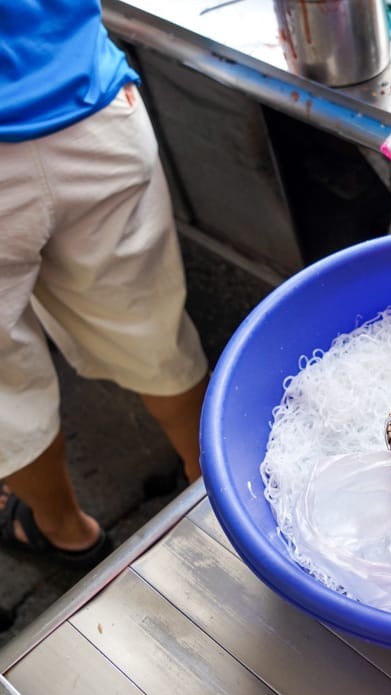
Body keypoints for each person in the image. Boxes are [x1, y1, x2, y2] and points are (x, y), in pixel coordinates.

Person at [0, 1, 209, 569]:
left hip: (87, 106)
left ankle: (65, 533)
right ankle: (211, 493)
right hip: (89, 112)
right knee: (154, 335)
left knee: (6, 392)